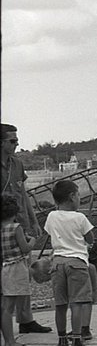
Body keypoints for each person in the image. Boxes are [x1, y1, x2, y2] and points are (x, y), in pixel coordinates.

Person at [0, 124, 51, 334]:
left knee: (22, 273)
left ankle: (26, 319)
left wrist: (33, 221)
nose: (16, 143)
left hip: (20, 224)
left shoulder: (18, 165)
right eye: (12, 140)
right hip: (3, 229)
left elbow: (24, 195)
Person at [44, 180, 96, 346]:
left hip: (57, 262)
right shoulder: (80, 217)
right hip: (77, 262)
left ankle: (61, 342)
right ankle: (76, 341)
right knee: (77, 303)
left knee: (60, 304)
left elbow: (52, 233)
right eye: (78, 195)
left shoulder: (51, 216)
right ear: (72, 197)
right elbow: (90, 238)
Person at [1, 196, 34, 346]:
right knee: (8, 307)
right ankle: (10, 343)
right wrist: (33, 241)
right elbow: (25, 248)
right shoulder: (16, 227)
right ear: (14, 212)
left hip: (5, 267)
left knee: (6, 306)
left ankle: (8, 341)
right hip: (16, 268)